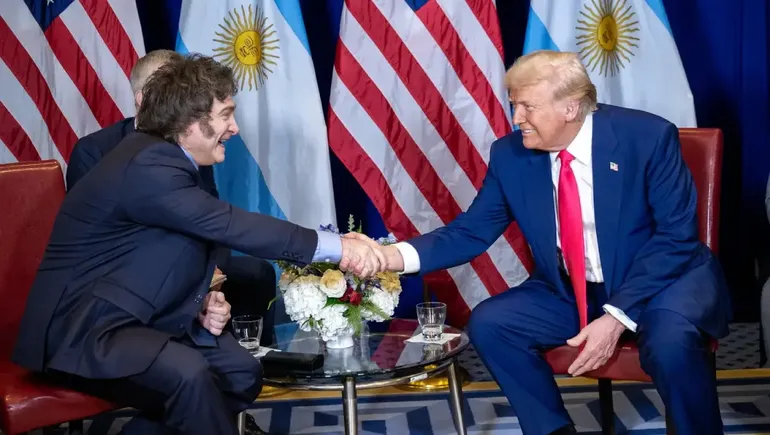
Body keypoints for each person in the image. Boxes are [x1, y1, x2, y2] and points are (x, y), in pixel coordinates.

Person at [350, 50, 732, 434]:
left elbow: (675, 238)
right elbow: (469, 232)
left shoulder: (647, 138)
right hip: (574, 289)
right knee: (492, 324)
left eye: (528, 107)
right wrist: (386, 256)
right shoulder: (510, 155)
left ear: (570, 107)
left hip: (663, 283)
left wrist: (616, 317)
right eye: (514, 105)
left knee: (670, 343)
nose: (517, 119)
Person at [13, 54, 382, 435]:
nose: (235, 127)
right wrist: (341, 248)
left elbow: (161, 250)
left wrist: (201, 299)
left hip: (141, 316)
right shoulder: (148, 164)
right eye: (226, 115)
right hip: (87, 329)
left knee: (241, 372)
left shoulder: (165, 157)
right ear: (189, 120)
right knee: (189, 376)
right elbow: (232, 225)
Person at [66, 49, 279, 346]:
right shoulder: (95, 152)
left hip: (195, 260)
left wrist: (212, 275)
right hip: (132, 272)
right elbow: (96, 242)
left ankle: (260, 357)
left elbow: (211, 215)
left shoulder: (193, 142)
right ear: (144, 99)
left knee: (256, 273)